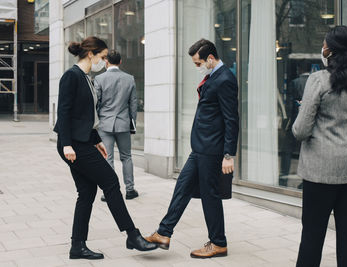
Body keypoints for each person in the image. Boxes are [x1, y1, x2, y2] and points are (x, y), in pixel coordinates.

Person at [54, 36, 158, 260]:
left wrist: (97, 140)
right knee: (110, 182)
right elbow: (63, 113)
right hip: (74, 145)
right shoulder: (71, 76)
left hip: (84, 141)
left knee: (87, 193)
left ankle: (77, 246)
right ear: (91, 54)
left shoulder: (86, 78)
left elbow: (86, 117)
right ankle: (132, 235)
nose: (103, 61)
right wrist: (67, 144)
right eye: (102, 57)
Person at [145, 39, 239, 259]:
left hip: (212, 149)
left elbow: (231, 119)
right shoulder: (214, 76)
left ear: (210, 58)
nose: (197, 67)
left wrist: (228, 154)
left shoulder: (225, 78)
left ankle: (218, 243)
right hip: (200, 147)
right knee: (183, 187)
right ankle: (163, 233)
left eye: (198, 63)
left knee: (210, 195)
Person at [292, 26, 347, 267]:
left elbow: (300, 131)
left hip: (322, 169)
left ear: (330, 50)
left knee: (313, 234)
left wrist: (303, 110)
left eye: (324, 43)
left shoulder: (318, 80)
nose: (323, 47)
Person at [94, 50, 139, 202]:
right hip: (123, 124)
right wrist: (132, 121)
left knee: (108, 158)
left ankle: (109, 192)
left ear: (106, 62)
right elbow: (133, 104)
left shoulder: (99, 78)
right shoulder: (129, 78)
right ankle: (130, 189)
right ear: (120, 62)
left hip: (105, 124)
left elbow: (96, 102)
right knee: (127, 157)